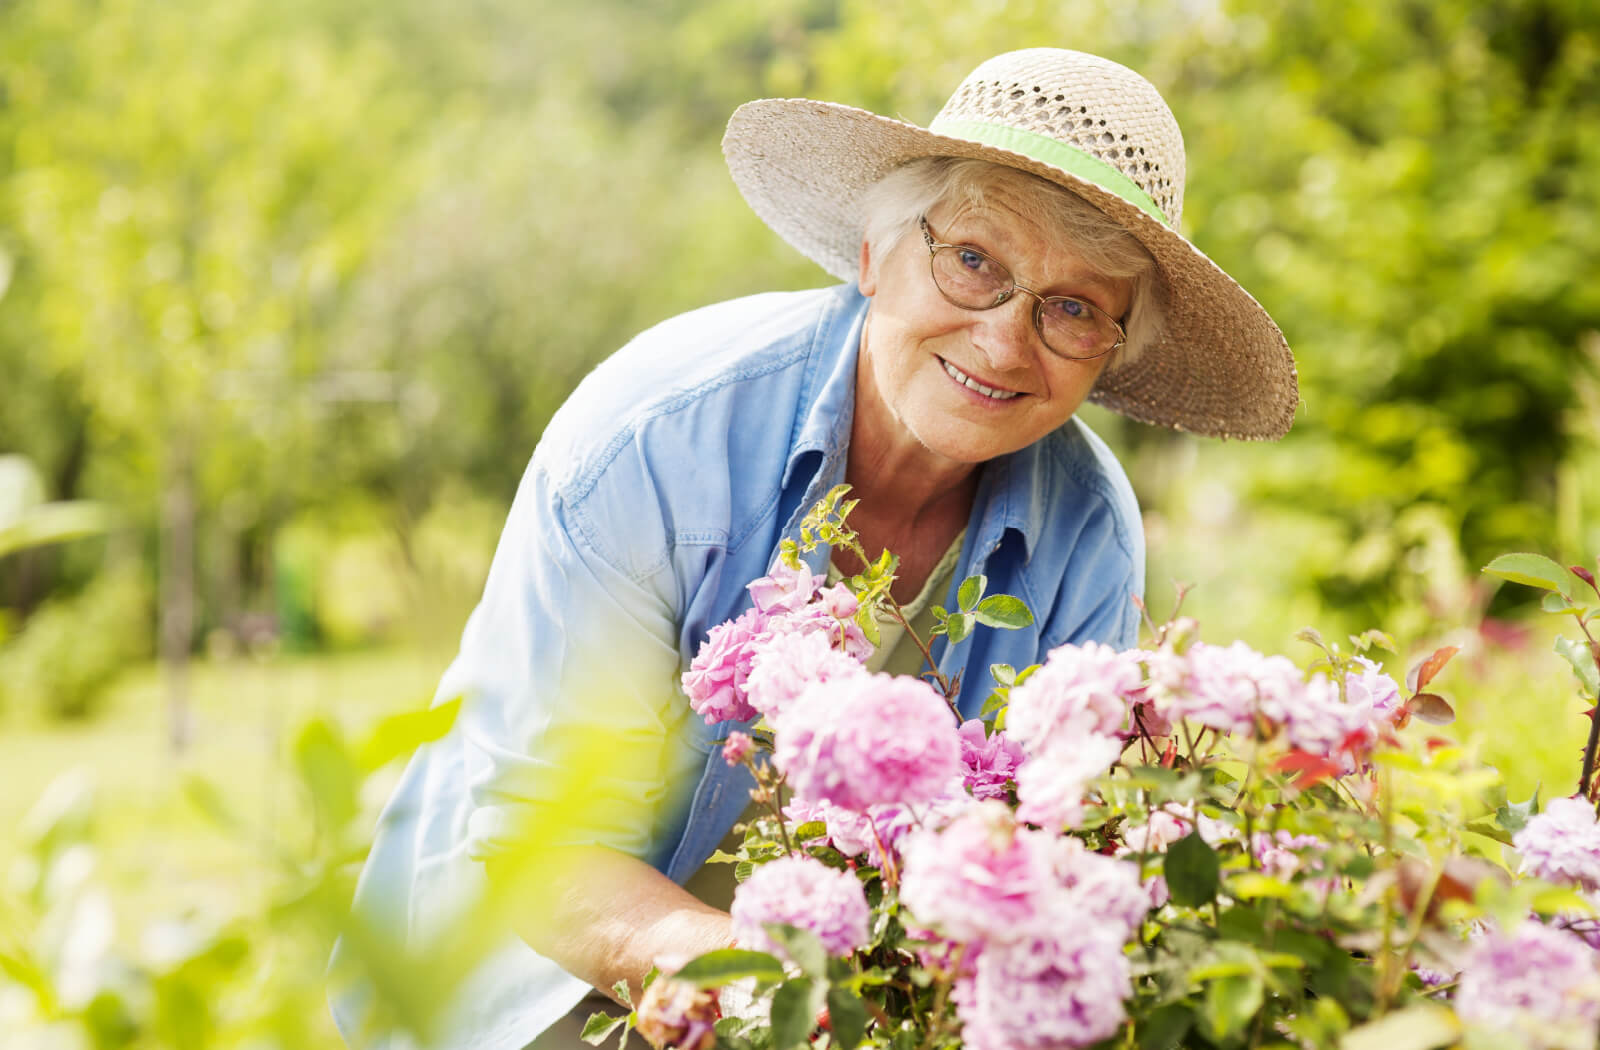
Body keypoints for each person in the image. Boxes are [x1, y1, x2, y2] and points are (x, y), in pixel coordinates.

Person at [330, 47, 1297, 1050]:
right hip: (525, 984)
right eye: (973, 262)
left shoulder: (1089, 532)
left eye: (1073, 308)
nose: (1005, 343)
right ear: (878, 254)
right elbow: (539, 849)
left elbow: (1044, 859)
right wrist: (774, 993)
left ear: (1109, 353)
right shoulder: (660, 440)